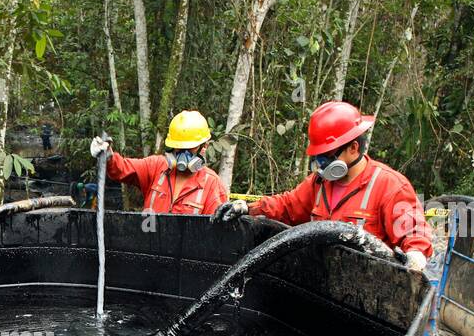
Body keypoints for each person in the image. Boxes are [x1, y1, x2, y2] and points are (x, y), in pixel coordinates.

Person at [215, 101, 432, 272]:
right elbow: (287, 206)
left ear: (353, 148)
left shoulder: (390, 186)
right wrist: (248, 208)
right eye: (318, 157)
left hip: (364, 290)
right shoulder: (319, 183)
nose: (320, 164)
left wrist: (415, 256)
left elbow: (414, 234)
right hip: (322, 282)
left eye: (326, 156)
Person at [89, 111, 229, 215]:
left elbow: (218, 233)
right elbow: (122, 169)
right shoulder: (156, 167)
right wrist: (108, 156)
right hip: (149, 249)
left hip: (188, 253)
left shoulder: (212, 184)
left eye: (189, 148)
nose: (182, 153)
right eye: (179, 147)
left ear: (204, 147)